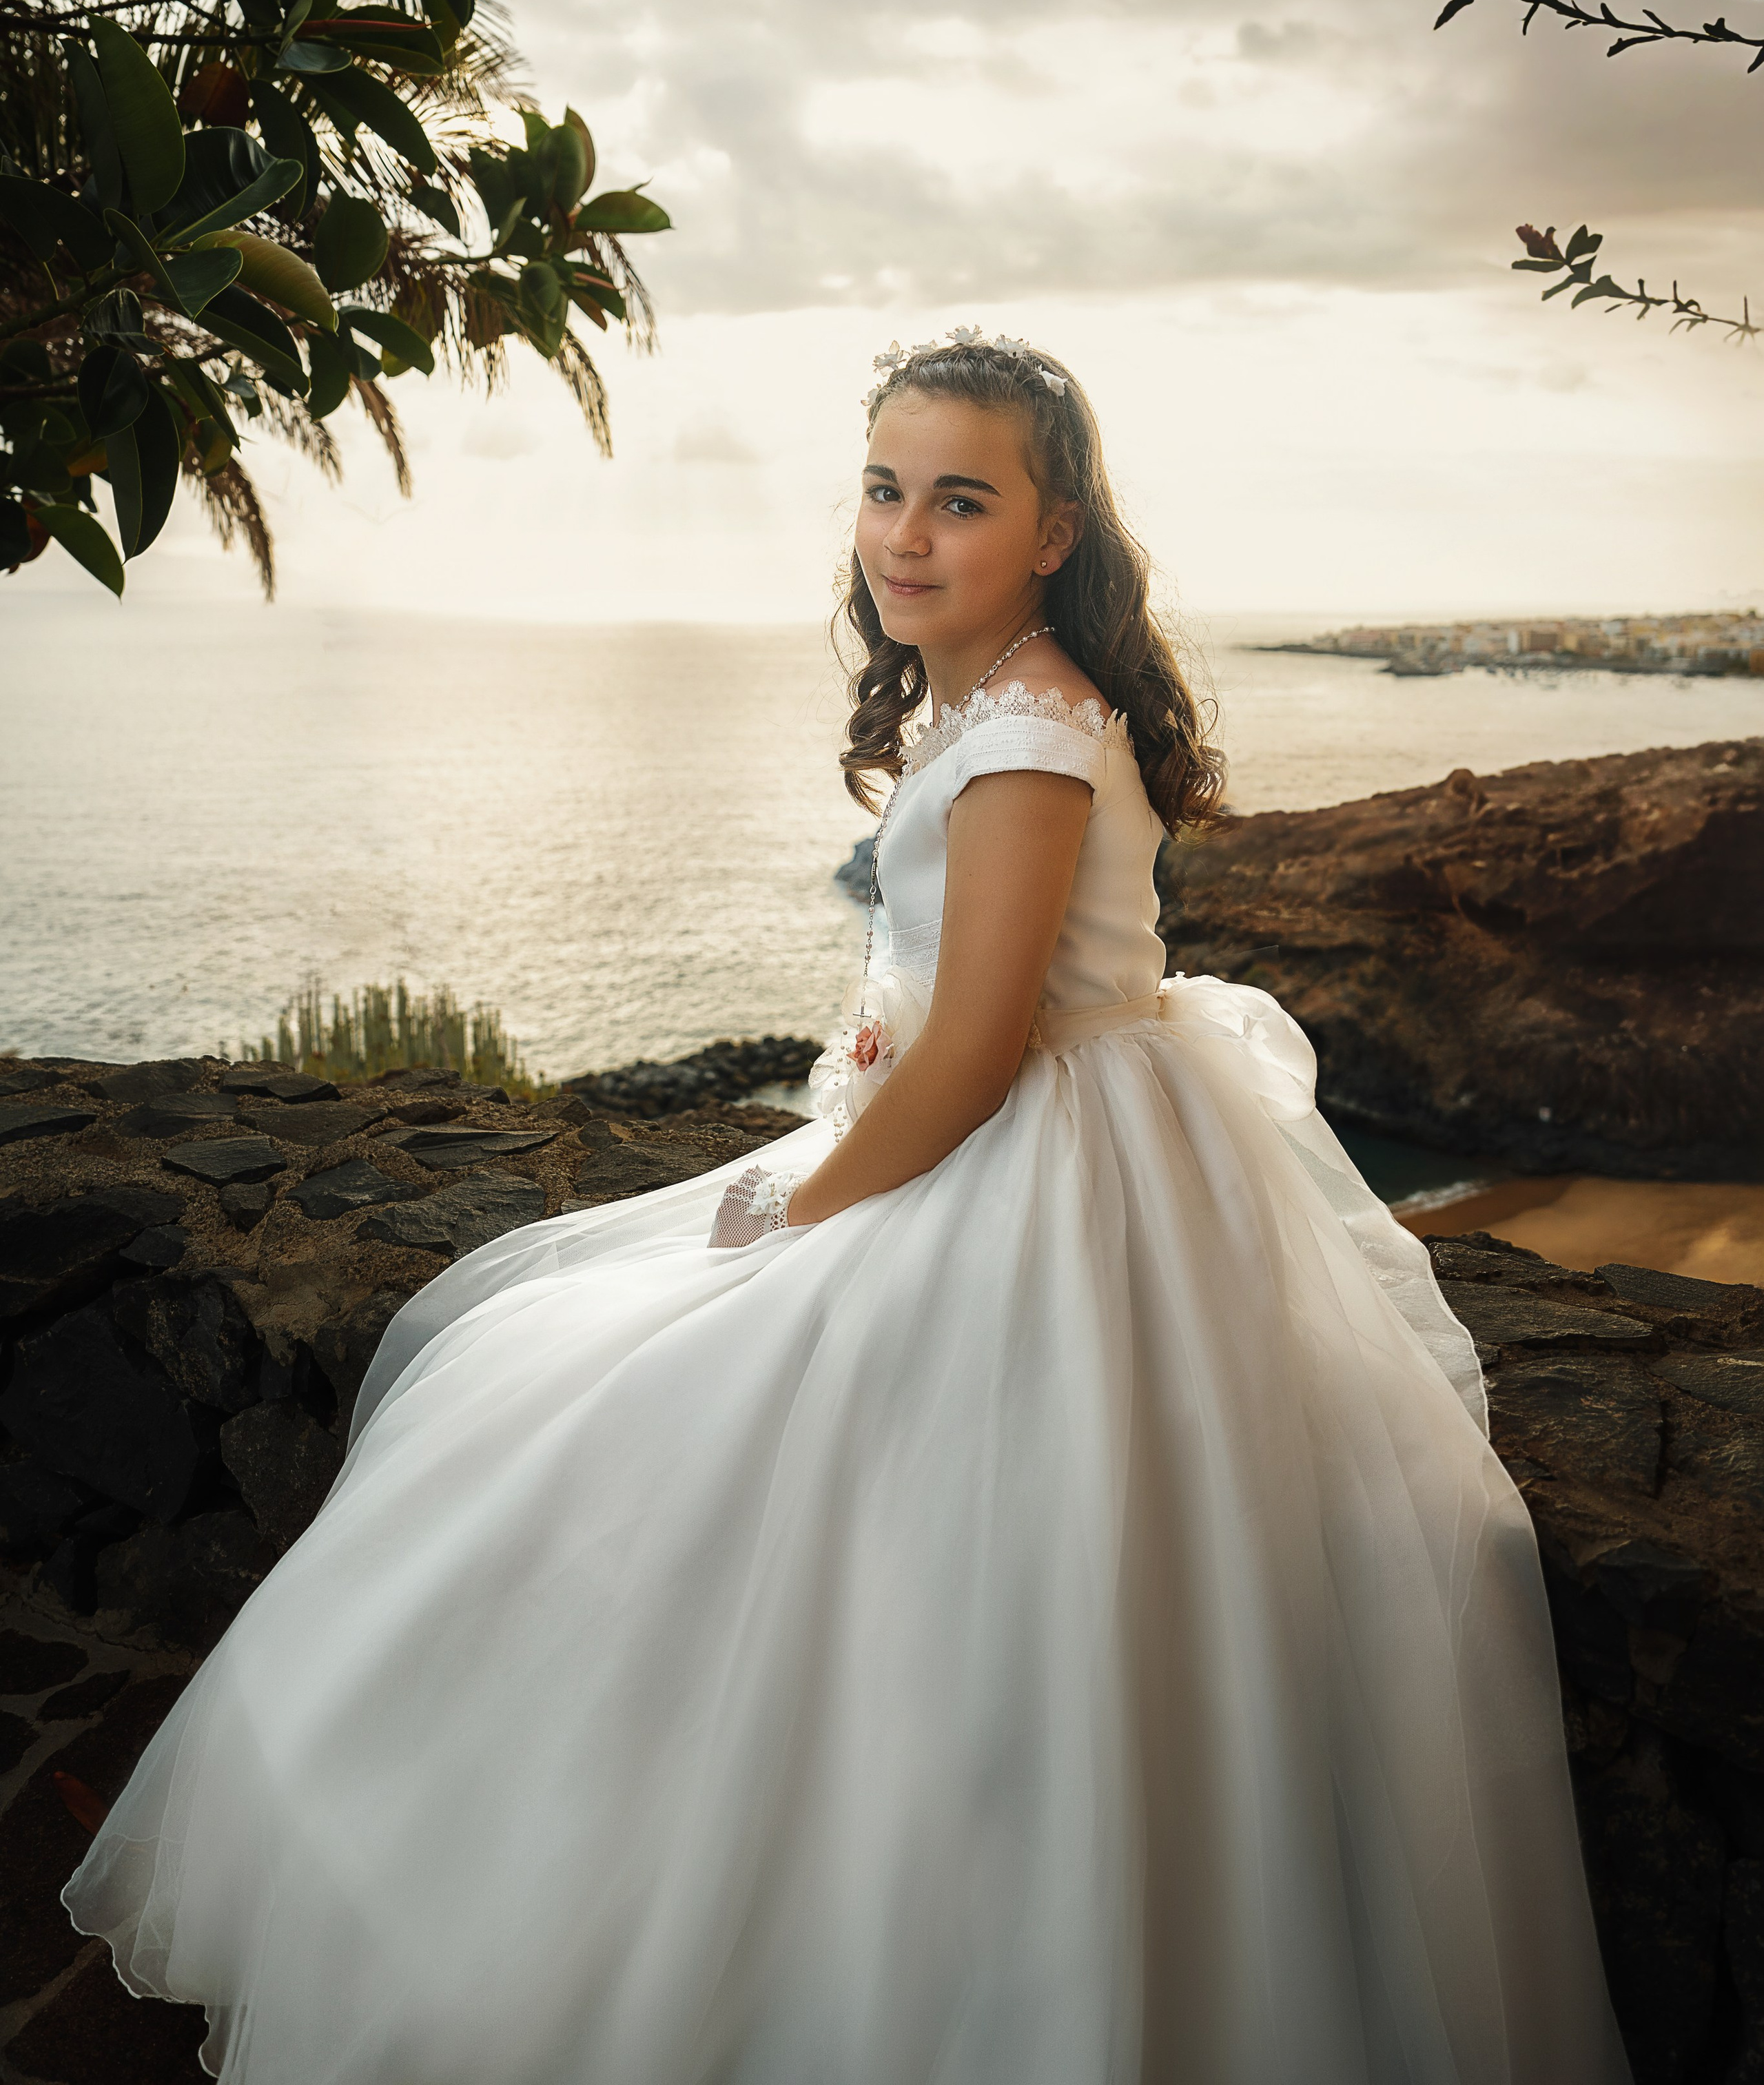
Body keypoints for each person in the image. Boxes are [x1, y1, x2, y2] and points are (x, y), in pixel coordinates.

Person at [63, 332, 1631, 2085]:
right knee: (582, 1386)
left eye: (960, 500)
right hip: (1015, 1132)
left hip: (1035, 1171)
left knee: (675, 1422)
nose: (905, 534)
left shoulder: (1031, 738)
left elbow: (966, 1061)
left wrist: (801, 1202)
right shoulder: (981, 696)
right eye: (885, 490)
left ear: (1053, 533)